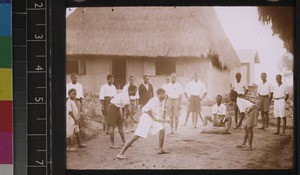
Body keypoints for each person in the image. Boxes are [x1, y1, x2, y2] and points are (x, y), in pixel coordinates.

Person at [116, 88, 170, 159]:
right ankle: (120, 153)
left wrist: (165, 120)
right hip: (146, 119)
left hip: (151, 119)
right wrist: (155, 119)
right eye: (164, 94)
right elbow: (148, 110)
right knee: (136, 136)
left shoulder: (158, 101)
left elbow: (156, 117)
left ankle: (160, 149)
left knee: (162, 130)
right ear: (161, 94)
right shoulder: (154, 100)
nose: (165, 96)